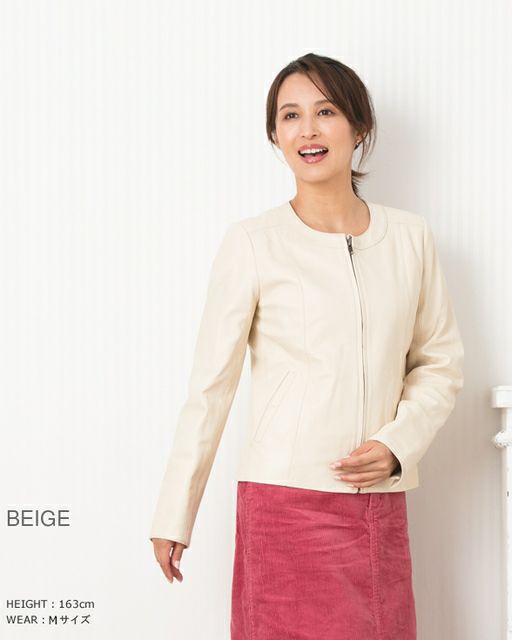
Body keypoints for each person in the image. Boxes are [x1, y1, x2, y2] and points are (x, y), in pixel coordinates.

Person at [149, 52, 464, 639]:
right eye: (290, 115)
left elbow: (439, 364)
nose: (308, 130)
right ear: (275, 135)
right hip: (283, 504)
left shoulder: (410, 238)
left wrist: (397, 444)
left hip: (376, 500)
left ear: (359, 126)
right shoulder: (253, 243)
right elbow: (210, 389)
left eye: (326, 111)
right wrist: (175, 514)